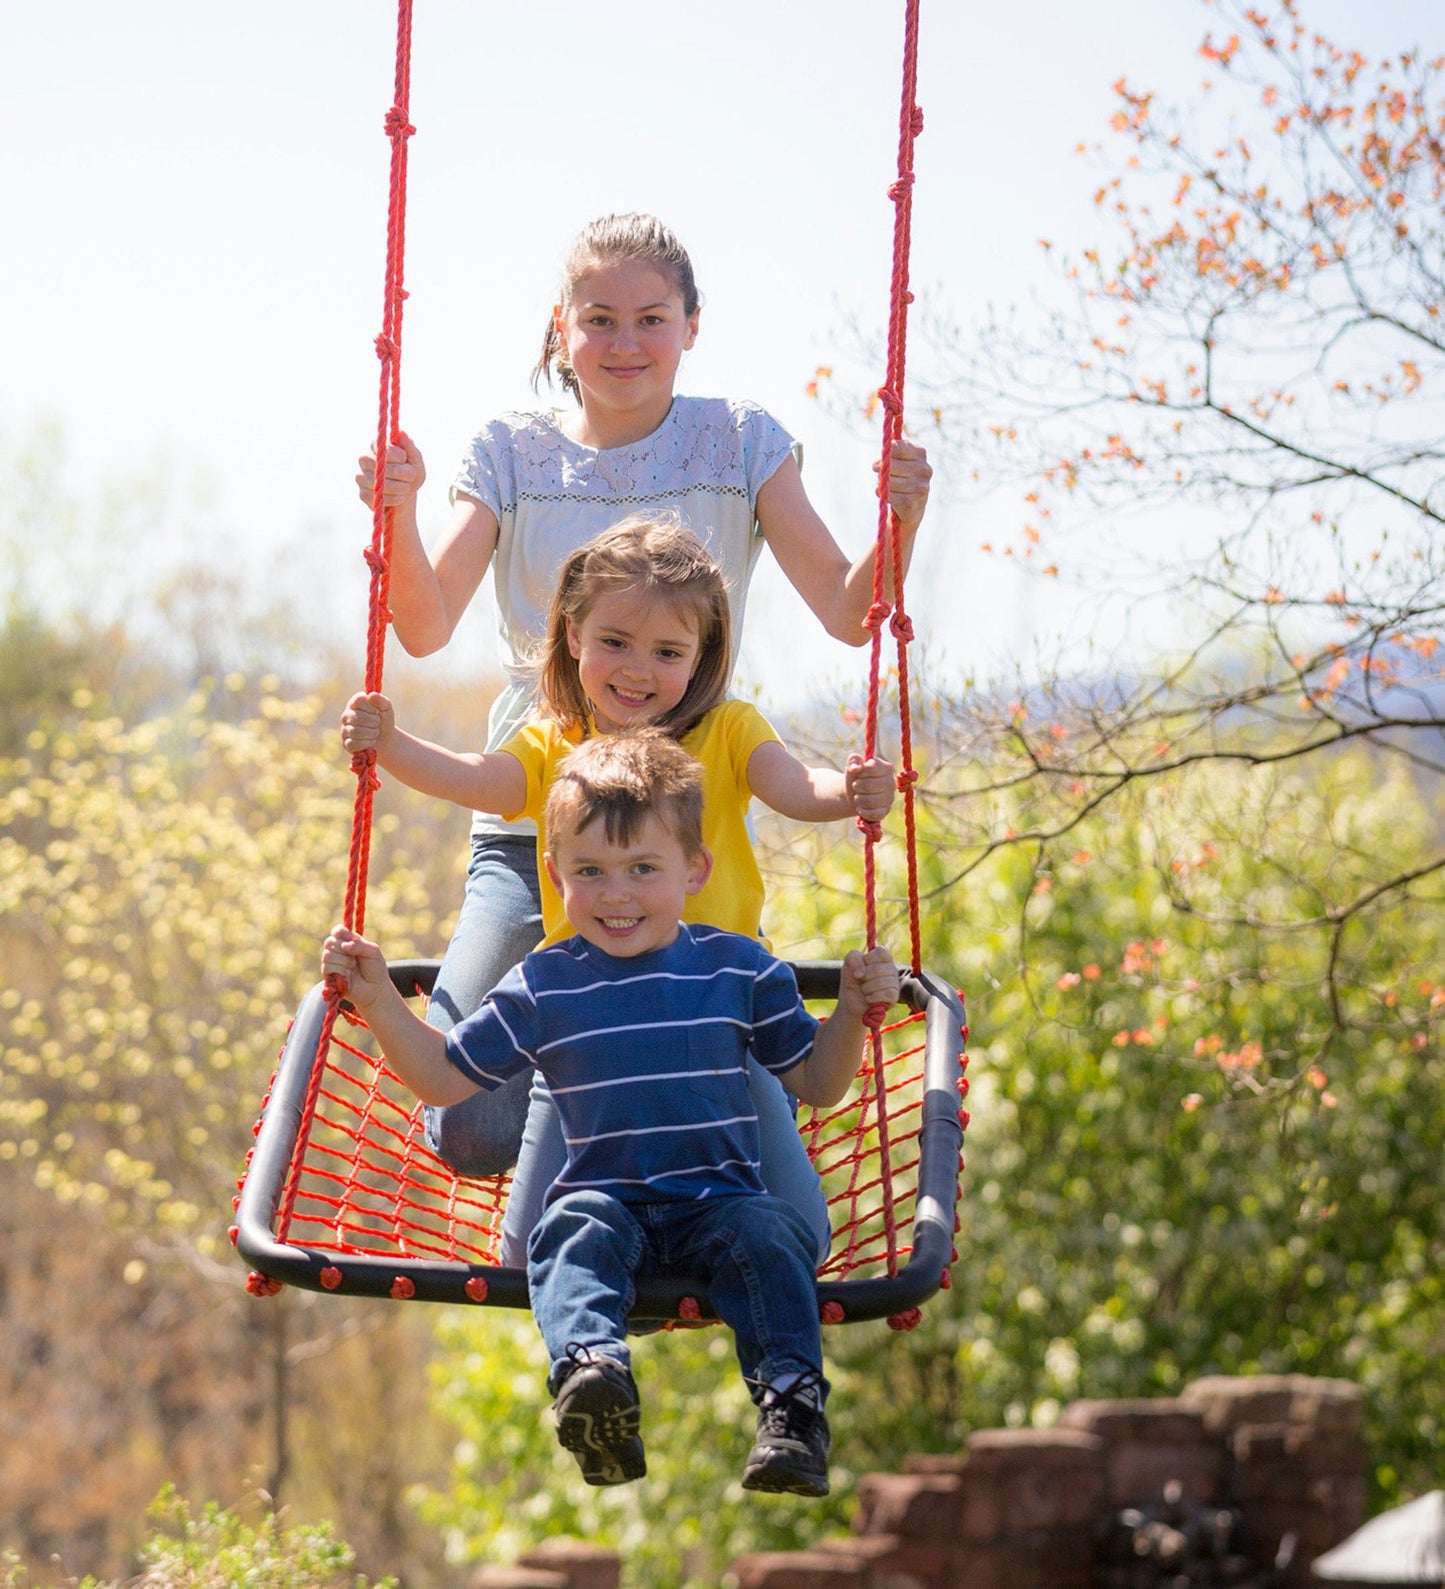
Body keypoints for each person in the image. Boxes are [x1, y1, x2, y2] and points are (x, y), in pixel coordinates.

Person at [358, 211, 931, 1187]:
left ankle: (641, 1175)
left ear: (691, 326)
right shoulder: (509, 450)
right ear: (560, 328)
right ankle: (578, 1110)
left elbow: (848, 608)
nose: (624, 343)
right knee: (468, 1127)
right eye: (599, 319)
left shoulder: (740, 440)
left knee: (716, 1081)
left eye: (650, 319)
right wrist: (397, 512)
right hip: (534, 804)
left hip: (680, 811)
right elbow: (423, 622)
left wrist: (899, 518)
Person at [322, 729, 901, 1495]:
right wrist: (378, 999)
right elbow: (439, 1076)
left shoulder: (740, 967)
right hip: (610, 1204)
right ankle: (595, 1383)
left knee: (771, 1231)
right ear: (555, 874)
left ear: (694, 870)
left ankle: (790, 1408)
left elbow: (820, 1082)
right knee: (562, 1231)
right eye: (589, 871)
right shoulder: (544, 984)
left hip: (718, 1204)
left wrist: (854, 1017)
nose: (616, 893)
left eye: (642, 869)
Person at [341, 514, 897, 1263]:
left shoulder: (727, 730)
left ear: (700, 656)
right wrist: (393, 746)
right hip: (585, 1028)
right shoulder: (553, 738)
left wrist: (845, 792)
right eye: (614, 642)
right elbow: (480, 778)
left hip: (723, 1018)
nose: (638, 670)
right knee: (526, 1253)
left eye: (667, 651)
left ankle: (717, 1246)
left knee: (801, 1233)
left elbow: (792, 785)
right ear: (572, 635)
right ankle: (595, 1319)